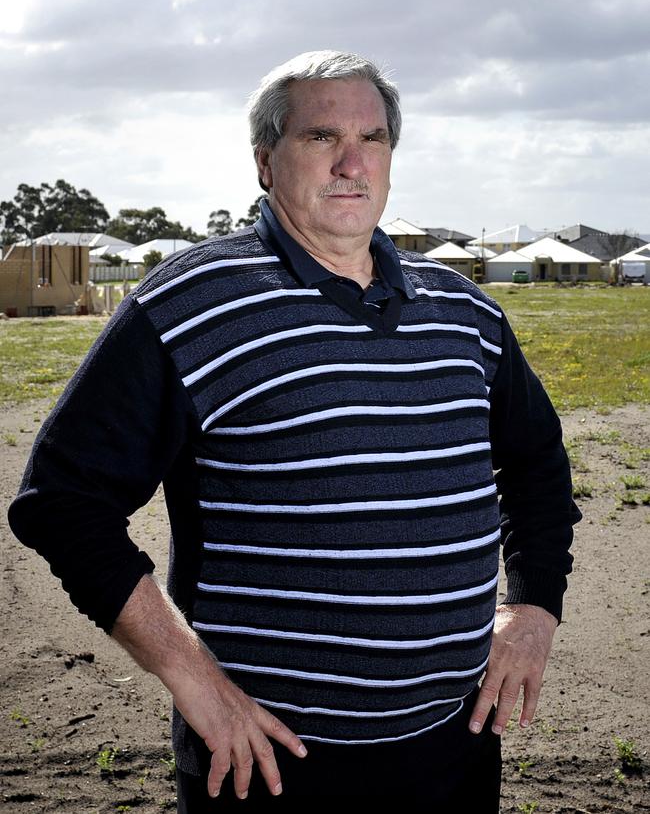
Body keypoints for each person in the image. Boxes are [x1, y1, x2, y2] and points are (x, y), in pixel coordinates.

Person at [8, 50, 580, 809]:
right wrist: (198, 685)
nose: (352, 163)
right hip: (267, 762)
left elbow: (537, 464)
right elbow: (62, 498)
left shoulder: (466, 311)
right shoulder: (191, 303)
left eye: (373, 139)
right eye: (320, 138)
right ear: (265, 163)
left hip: (453, 747)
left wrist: (535, 606)